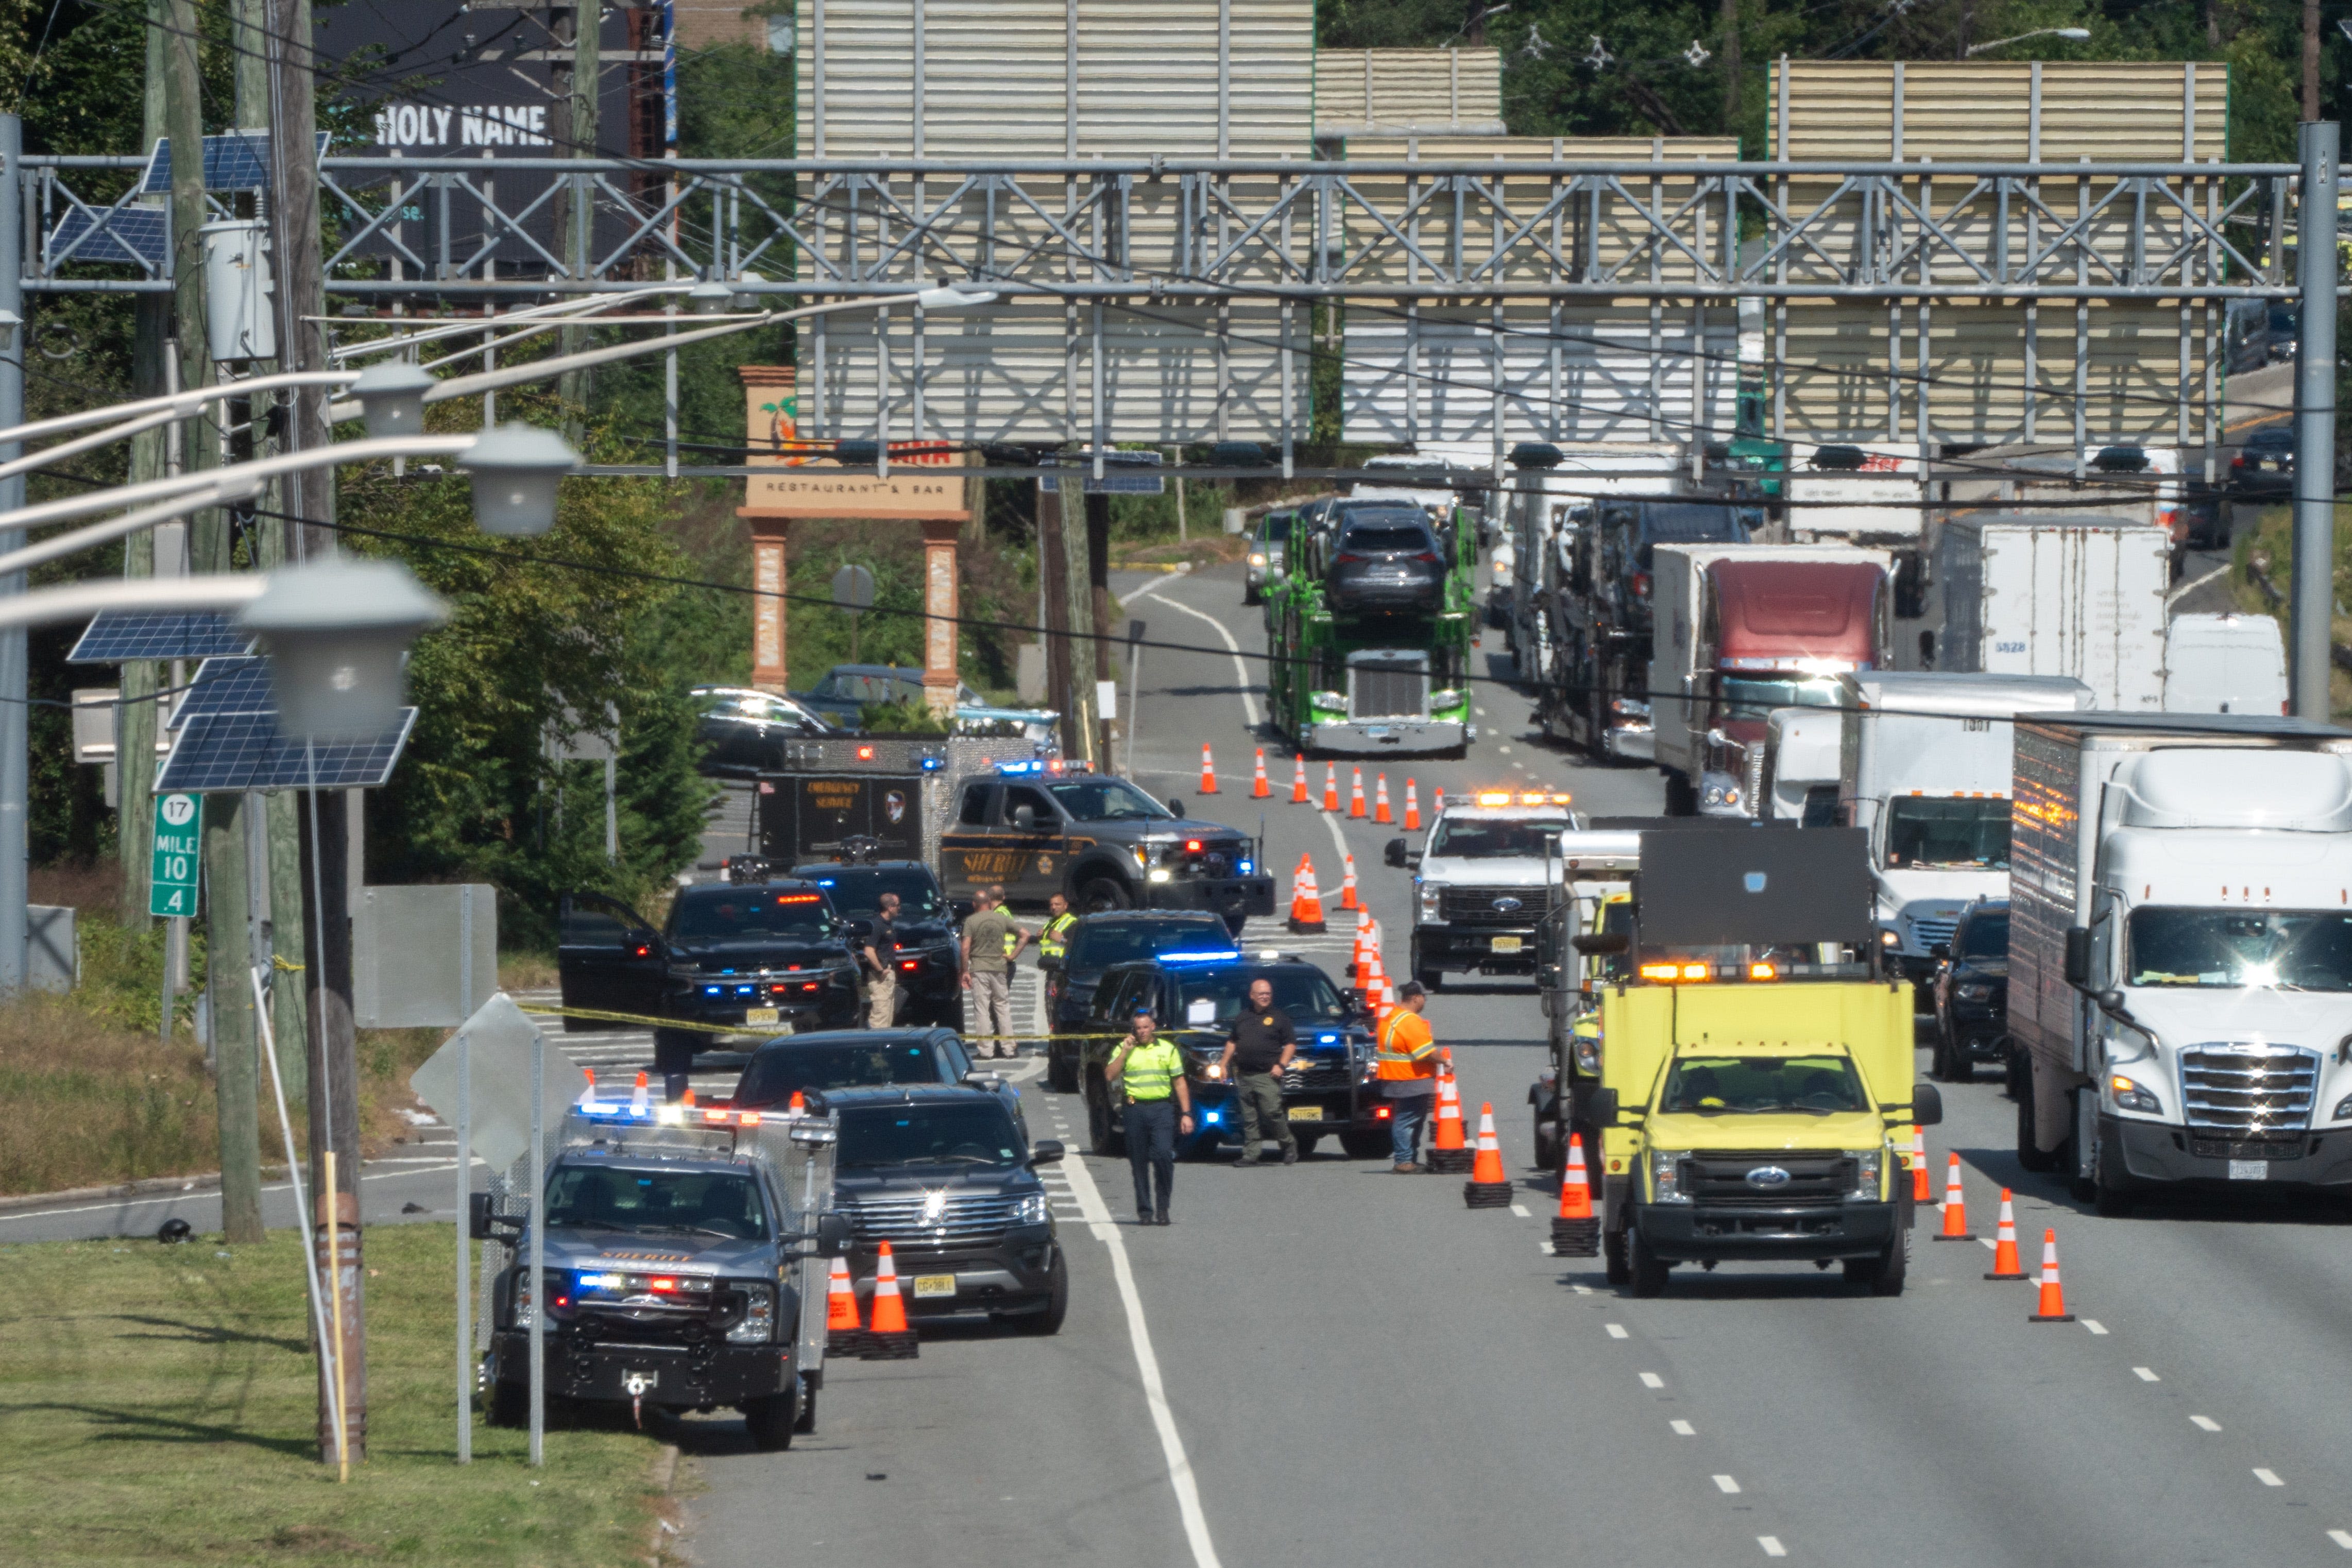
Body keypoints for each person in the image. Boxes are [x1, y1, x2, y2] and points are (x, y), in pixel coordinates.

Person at [1106, 1007, 1193, 1224]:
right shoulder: (1124, 1047)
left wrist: (1186, 1113)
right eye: (1138, 1028)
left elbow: (1179, 1082)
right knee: (1138, 1162)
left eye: (1146, 1027)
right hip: (1134, 1109)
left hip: (1161, 1109)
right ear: (1133, 1030)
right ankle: (1145, 1211)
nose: (1142, 1032)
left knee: (1163, 1155)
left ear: (1153, 1027)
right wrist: (1125, 1052)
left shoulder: (1167, 1049)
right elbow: (1110, 1075)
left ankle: (1163, 1208)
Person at [1219, 976, 1298, 1165]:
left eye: (1268, 994)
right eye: (1261, 994)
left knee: (1272, 1113)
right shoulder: (1242, 1017)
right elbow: (1232, 1041)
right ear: (1252, 995)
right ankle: (1251, 1154)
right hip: (1245, 1075)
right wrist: (1223, 1064)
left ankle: (1289, 1145)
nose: (1265, 997)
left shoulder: (1280, 1018)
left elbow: (1290, 1045)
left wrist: (1281, 1065)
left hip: (1267, 1076)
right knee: (1249, 1118)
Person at [1376, 981, 1440, 1172]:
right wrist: (1445, 1061)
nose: (1425, 1001)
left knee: (1412, 1119)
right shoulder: (1410, 1021)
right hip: (1409, 1078)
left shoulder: (1392, 1017)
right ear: (1415, 998)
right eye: (1424, 997)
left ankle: (1409, 1158)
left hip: (1398, 1078)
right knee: (1406, 1120)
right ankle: (1404, 1161)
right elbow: (1425, 1052)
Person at [960, 889, 1022, 1059]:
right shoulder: (1001, 918)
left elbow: (965, 948)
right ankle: (1009, 1048)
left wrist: (965, 971)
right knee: (1002, 1007)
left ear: (974, 905)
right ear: (989, 903)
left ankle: (986, 1051)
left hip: (979, 968)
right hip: (1000, 967)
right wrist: (1013, 955)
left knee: (982, 1010)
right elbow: (1025, 935)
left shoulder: (971, 921)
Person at [861, 892, 902, 1029]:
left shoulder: (888, 924)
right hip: (880, 977)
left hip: (888, 975)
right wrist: (880, 970)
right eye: (897, 905)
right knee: (880, 1016)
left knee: (887, 1016)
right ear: (890, 907)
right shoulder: (877, 925)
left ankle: (885, 1045)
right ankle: (876, 1047)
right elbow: (869, 951)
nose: (899, 908)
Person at [1036, 893, 1077, 973]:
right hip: (1049, 966)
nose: (1054, 907)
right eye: (1051, 905)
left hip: (1063, 966)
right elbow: (1048, 944)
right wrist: (1040, 938)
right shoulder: (1051, 922)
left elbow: (1078, 945)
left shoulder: (1073, 922)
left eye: (1057, 904)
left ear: (1065, 906)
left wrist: (1062, 940)